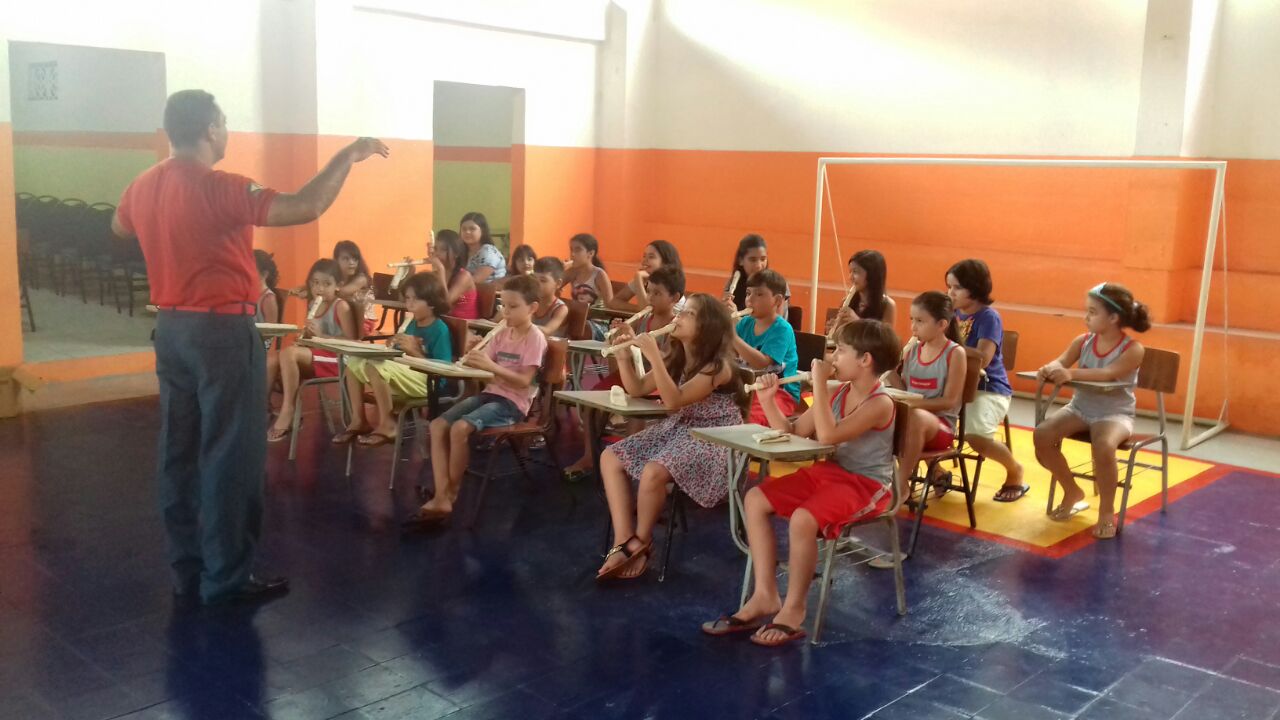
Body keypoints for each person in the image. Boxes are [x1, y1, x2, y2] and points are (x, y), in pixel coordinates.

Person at [111, 89, 387, 605]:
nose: (227, 131)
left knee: (179, 452)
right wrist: (347, 156)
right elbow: (306, 205)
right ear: (210, 129)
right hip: (220, 332)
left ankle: (188, 570)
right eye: (224, 122)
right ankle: (226, 579)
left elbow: (118, 226)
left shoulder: (143, 185)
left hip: (171, 329)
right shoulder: (222, 187)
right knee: (230, 454)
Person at [701, 320, 900, 646]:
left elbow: (829, 435)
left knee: (803, 519)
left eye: (840, 351)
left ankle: (794, 609)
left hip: (866, 485)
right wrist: (768, 399)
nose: (832, 357)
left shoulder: (881, 403)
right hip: (831, 474)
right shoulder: (839, 392)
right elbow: (793, 432)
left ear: (865, 360)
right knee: (755, 499)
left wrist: (819, 385)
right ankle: (765, 595)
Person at [595, 293, 747, 581]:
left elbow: (673, 401)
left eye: (689, 314)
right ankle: (624, 539)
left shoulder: (718, 367)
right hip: (681, 429)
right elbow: (637, 388)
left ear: (707, 326)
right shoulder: (675, 356)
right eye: (682, 311)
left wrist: (653, 355)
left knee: (654, 471)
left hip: (717, 438)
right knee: (610, 457)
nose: (679, 317)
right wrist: (624, 356)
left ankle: (642, 542)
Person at [405, 275, 548, 526]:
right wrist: (473, 355)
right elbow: (482, 369)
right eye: (503, 305)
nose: (505, 312)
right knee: (437, 425)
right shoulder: (502, 333)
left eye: (513, 306)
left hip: (512, 404)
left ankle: (450, 494)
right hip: (490, 394)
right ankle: (441, 495)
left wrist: (490, 365)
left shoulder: (535, 337)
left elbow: (524, 381)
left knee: (460, 428)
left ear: (532, 308)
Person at [1033, 282, 1150, 539]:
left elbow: (1108, 373)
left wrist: (1070, 373)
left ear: (1113, 318)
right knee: (1042, 434)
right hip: (1080, 408)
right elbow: (1061, 361)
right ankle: (1072, 490)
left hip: (1114, 414)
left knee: (1103, 445)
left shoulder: (1133, 349)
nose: (1086, 317)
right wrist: (1049, 368)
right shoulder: (1082, 341)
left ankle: (1107, 512)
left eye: (1093, 312)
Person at [334, 271, 454, 447]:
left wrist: (415, 352)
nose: (409, 303)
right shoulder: (411, 323)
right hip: (407, 375)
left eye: (415, 299)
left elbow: (443, 369)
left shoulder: (439, 329)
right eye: (408, 298)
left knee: (376, 367)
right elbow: (399, 355)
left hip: (430, 382)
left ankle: (388, 424)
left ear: (432, 302)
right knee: (353, 363)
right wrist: (392, 345)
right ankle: (359, 420)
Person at [945, 259, 1026, 502]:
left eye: (957, 287)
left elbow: (983, 358)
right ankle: (937, 475)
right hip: (955, 386)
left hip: (988, 388)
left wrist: (948, 346)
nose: (950, 293)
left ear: (974, 288)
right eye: (949, 286)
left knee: (975, 436)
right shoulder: (950, 314)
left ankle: (1015, 471)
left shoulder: (988, 317)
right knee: (916, 424)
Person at [882, 291, 966, 500]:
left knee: (915, 418)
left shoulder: (955, 354)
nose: (913, 327)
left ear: (942, 324)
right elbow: (905, 391)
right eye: (912, 319)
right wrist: (889, 370)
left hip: (941, 427)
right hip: (912, 421)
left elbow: (949, 401)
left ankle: (901, 484)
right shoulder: (912, 351)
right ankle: (870, 479)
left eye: (920, 321)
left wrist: (912, 407)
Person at [269, 260, 360, 441]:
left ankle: (288, 410)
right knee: (272, 358)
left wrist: (321, 336)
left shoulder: (341, 306)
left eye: (327, 284)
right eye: (315, 283)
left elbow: (352, 342)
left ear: (338, 285)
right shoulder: (313, 305)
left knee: (289, 353)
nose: (320, 288)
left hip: (338, 359)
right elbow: (314, 341)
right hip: (318, 355)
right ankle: (265, 408)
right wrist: (306, 338)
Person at [732, 269, 800, 425]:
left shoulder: (782, 329)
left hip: (780, 392)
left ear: (777, 301)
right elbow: (729, 353)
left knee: (749, 418)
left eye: (759, 294)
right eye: (748, 293)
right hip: (748, 388)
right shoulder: (745, 323)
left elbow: (761, 363)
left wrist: (732, 337)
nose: (750, 300)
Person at [829, 249, 896, 334]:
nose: (850, 277)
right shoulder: (846, 302)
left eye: (855, 272)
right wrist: (835, 330)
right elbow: (840, 339)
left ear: (872, 274)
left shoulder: (888, 305)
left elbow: (885, 338)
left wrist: (858, 322)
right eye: (850, 272)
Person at [429, 229, 479, 319]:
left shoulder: (464, 276)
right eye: (435, 249)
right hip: (444, 321)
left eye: (443, 250)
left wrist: (440, 270)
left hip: (464, 324)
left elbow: (445, 304)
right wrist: (410, 272)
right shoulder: (435, 274)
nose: (437, 254)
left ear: (456, 253)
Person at [460, 211, 506, 283]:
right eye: (464, 229)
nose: (467, 232)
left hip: (490, 289)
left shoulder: (488, 251)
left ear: (482, 231)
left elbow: (476, 280)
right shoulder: (461, 251)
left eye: (472, 229)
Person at [531, 257, 569, 336]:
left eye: (543, 280)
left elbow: (547, 331)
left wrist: (521, 324)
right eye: (534, 279)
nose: (536, 284)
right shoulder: (530, 302)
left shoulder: (561, 309)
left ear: (558, 283)